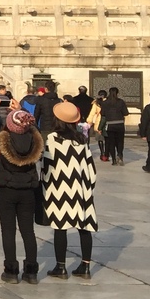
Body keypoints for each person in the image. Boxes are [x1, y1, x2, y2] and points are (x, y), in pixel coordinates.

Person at [0, 108, 43, 285]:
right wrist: (22, 113)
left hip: (6, 189)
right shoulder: (35, 140)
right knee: (28, 231)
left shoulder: (2, 140)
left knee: (8, 230)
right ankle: (31, 271)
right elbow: (34, 129)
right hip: (28, 191)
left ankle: (11, 271)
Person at [43, 101, 98, 281]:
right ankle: (86, 266)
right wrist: (88, 188)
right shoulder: (82, 139)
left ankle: (61, 267)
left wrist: (45, 189)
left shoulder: (51, 139)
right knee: (84, 227)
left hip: (59, 188)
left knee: (60, 227)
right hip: (81, 188)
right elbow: (91, 169)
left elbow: (46, 168)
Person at [102, 87, 130, 166]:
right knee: (120, 141)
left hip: (110, 124)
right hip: (120, 124)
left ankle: (113, 159)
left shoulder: (105, 103)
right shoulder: (121, 102)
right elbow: (125, 113)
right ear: (117, 93)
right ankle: (120, 155)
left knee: (111, 142)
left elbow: (103, 113)